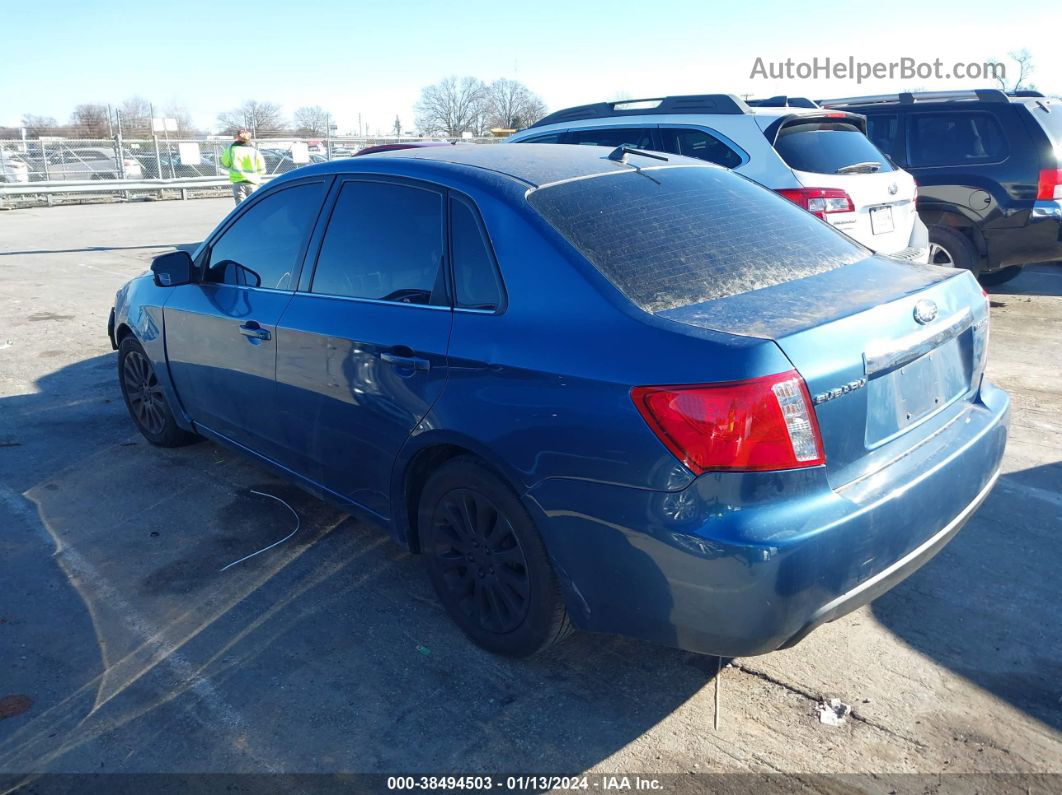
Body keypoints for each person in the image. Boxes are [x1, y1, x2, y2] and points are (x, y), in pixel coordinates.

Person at [220, 130, 265, 204]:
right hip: (253, 183)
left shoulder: (232, 150)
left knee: (241, 208)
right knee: (253, 206)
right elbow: (262, 169)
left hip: (238, 183)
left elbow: (225, 163)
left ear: (237, 137)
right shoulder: (254, 151)